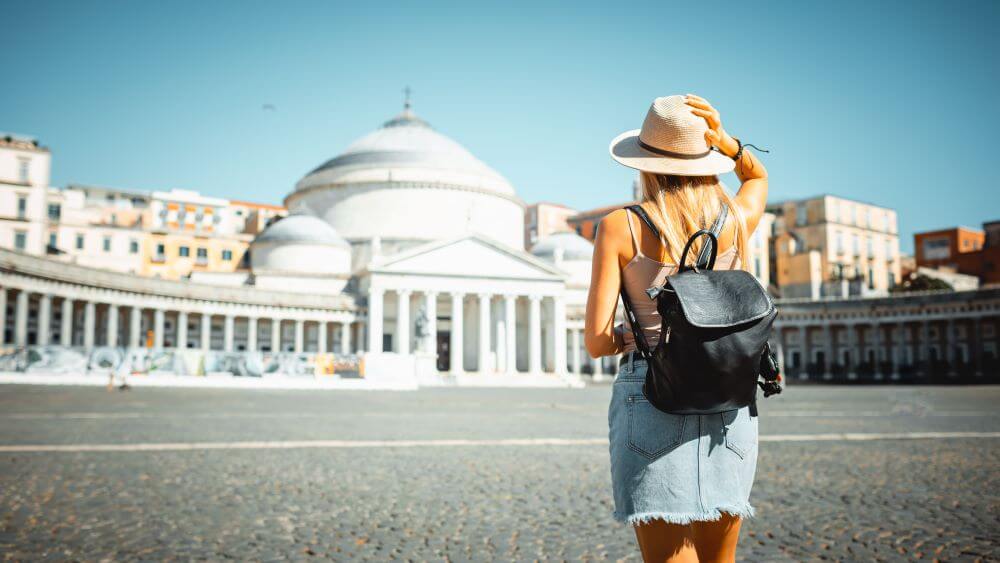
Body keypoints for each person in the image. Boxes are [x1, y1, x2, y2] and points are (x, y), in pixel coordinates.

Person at [585, 94, 769, 562]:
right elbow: (757, 175)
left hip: (652, 393)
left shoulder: (621, 226)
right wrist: (727, 142)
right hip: (729, 398)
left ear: (644, 164)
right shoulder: (737, 220)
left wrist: (642, 335)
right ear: (704, 160)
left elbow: (596, 341)